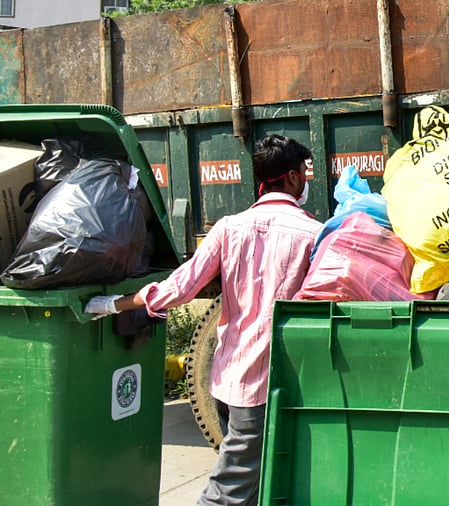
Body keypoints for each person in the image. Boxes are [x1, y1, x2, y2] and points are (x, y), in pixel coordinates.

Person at [85, 134, 323, 505]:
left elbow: (181, 287)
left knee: (257, 487)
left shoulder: (227, 228)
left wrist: (117, 303)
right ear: (292, 178)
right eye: (304, 175)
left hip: (228, 381)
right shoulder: (312, 234)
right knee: (226, 495)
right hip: (264, 387)